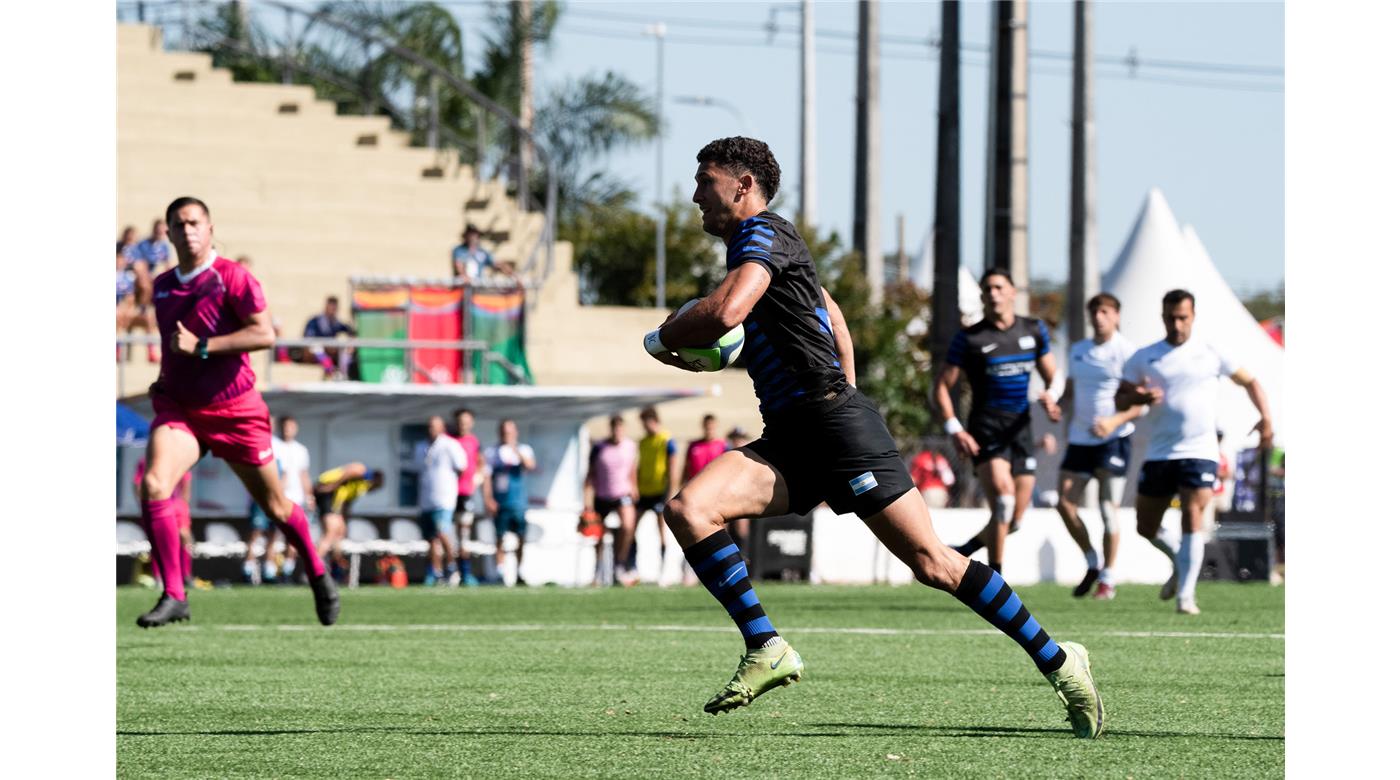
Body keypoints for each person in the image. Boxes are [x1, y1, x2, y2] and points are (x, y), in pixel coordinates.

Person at [640, 137, 1102, 737]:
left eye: (706, 180)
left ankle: (1062, 662)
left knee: (934, 563)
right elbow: (831, 313)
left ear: (743, 186)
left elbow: (725, 315)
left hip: (836, 429)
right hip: (793, 435)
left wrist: (667, 333)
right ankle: (766, 647)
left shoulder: (764, 235)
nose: (696, 193)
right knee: (690, 508)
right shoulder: (758, 251)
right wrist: (844, 386)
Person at [136, 196, 337, 628]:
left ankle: (319, 574)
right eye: (179, 224)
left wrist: (204, 348)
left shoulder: (234, 277)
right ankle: (174, 593)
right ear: (168, 233)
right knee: (154, 484)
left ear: (210, 229)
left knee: (278, 508)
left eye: (195, 222)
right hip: (183, 410)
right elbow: (176, 345)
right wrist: (169, 375)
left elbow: (264, 334)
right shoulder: (164, 285)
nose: (188, 230)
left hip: (236, 411)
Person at [1116, 288, 1273, 615]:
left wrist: (1266, 418)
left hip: (1200, 451)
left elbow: (1251, 381)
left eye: (1182, 317)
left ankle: (1185, 596)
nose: (1176, 324)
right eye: (1171, 318)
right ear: (1163, 317)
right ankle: (1179, 559)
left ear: (1193, 317)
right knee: (1145, 526)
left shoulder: (1212, 352)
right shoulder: (1144, 357)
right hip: (1159, 453)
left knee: (1192, 516)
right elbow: (1121, 398)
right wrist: (1139, 398)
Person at [934, 268, 1062, 574]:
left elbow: (1052, 376)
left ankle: (964, 550)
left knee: (1014, 520)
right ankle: (996, 579)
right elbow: (941, 387)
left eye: (999, 287)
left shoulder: (1033, 330)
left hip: (1021, 429)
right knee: (1002, 505)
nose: (993, 293)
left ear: (1013, 292)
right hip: (985, 430)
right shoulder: (970, 338)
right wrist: (955, 429)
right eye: (987, 289)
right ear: (982, 296)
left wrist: (1052, 396)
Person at [1053, 293, 1144, 601]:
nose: (1099, 317)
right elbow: (1069, 394)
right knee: (1064, 503)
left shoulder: (1127, 353)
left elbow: (1139, 405)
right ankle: (1092, 561)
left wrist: (1113, 422)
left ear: (1116, 315)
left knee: (1107, 509)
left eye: (1105, 312)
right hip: (1080, 440)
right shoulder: (1078, 351)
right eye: (1094, 312)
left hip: (1113, 440)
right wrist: (1057, 407)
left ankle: (1108, 578)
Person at [245, 416, 312, 584]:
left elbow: (303, 475)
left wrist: (309, 495)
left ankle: (280, 571)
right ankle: (251, 569)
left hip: (294, 499)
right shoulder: (273, 445)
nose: (288, 430)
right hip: (272, 497)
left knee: (287, 536)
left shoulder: (301, 450)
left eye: (291, 427)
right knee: (261, 533)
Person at [584, 416, 641, 586]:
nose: (618, 432)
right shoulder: (599, 448)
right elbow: (590, 474)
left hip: (622, 493)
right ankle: (597, 569)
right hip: (602, 494)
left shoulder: (630, 446)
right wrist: (587, 501)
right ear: (611, 429)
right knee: (598, 534)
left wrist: (634, 487)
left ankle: (620, 563)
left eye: (620, 429)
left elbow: (631, 468)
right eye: (615, 429)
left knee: (628, 525)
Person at [482, 419, 536, 585]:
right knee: (499, 538)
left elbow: (530, 466)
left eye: (510, 431)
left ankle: (519, 572)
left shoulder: (523, 449)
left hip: (518, 502)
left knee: (521, 537)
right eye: (504, 431)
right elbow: (486, 478)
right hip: (500, 502)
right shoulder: (492, 452)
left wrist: (514, 449)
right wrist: (488, 499)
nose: (507, 435)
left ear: (515, 432)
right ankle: (500, 573)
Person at [417, 415, 468, 586]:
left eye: (434, 426)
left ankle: (452, 567)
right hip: (426, 498)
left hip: (444, 498)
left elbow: (461, 467)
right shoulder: (422, 446)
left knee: (442, 532)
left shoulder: (450, 444)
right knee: (431, 538)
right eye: (429, 426)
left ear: (442, 427)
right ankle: (436, 572)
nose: (431, 429)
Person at [313, 462, 385, 581]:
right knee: (329, 533)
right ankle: (313, 567)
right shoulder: (362, 471)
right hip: (327, 491)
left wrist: (344, 519)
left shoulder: (361, 487)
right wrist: (332, 486)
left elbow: (347, 503)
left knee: (340, 532)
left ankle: (335, 566)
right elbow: (350, 471)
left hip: (333, 498)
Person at [133, 457, 193, 593]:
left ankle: (186, 575)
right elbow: (138, 483)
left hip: (177, 506)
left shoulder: (180, 459)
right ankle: (159, 577)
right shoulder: (145, 461)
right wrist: (143, 504)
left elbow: (186, 483)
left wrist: (184, 506)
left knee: (184, 537)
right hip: (157, 505)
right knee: (159, 541)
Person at [634, 406, 680, 578]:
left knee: (661, 528)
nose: (644, 427)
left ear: (653, 421)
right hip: (644, 491)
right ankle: (632, 567)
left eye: (646, 423)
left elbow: (673, 466)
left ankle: (664, 567)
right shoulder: (643, 442)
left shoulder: (666, 439)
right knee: (631, 526)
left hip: (660, 491)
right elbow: (639, 466)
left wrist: (670, 492)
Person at [452, 408, 483, 585]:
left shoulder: (473, 442)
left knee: (463, 534)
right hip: (448, 495)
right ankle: (449, 570)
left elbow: (480, 464)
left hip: (465, 495)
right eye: (460, 421)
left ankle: (465, 572)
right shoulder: (449, 440)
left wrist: (475, 480)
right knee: (446, 534)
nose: (463, 425)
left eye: (466, 421)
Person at [302, 296, 356, 379]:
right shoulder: (315, 321)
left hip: (331, 352)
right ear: (326, 307)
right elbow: (308, 339)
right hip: (316, 351)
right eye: (331, 307)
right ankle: (330, 372)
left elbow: (350, 331)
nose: (332, 310)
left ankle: (343, 374)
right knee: (318, 351)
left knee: (345, 353)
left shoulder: (336, 323)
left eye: (334, 308)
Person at [908, 441, 957, 509]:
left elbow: (914, 479)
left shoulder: (921, 458)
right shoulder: (941, 459)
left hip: (927, 491)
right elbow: (950, 480)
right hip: (941, 492)